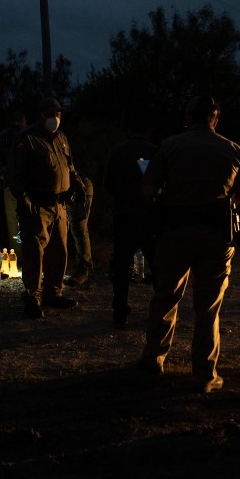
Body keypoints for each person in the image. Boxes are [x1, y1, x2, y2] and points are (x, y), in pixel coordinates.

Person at [139, 95, 240, 393]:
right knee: (208, 306)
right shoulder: (234, 150)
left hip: (175, 233)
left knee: (165, 297)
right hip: (216, 237)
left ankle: (153, 361)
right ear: (215, 119)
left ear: (188, 117)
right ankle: (204, 373)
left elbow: (148, 188)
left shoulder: (169, 146)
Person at [7, 96, 82, 319]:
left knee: (60, 251)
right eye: (52, 114)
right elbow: (14, 174)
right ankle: (32, 296)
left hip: (59, 205)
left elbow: (69, 165)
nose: (56, 118)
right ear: (41, 116)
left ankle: (53, 293)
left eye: (58, 114)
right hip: (37, 205)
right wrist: (23, 199)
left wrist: (76, 183)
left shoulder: (62, 139)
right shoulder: (27, 139)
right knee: (35, 253)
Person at [103, 110, 158, 328]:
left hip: (123, 215)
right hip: (149, 216)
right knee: (156, 264)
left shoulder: (116, 152)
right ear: (149, 131)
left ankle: (120, 311)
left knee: (122, 265)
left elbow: (108, 184)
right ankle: (161, 309)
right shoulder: (155, 151)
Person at [0, 110, 27, 256]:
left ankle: (26, 255)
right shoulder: (5, 137)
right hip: (14, 185)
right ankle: (20, 256)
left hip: (24, 185)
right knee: (15, 222)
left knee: (19, 222)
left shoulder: (29, 135)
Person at [64, 174, 95, 288]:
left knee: (79, 228)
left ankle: (84, 268)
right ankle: (77, 265)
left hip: (78, 186)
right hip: (68, 186)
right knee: (71, 228)